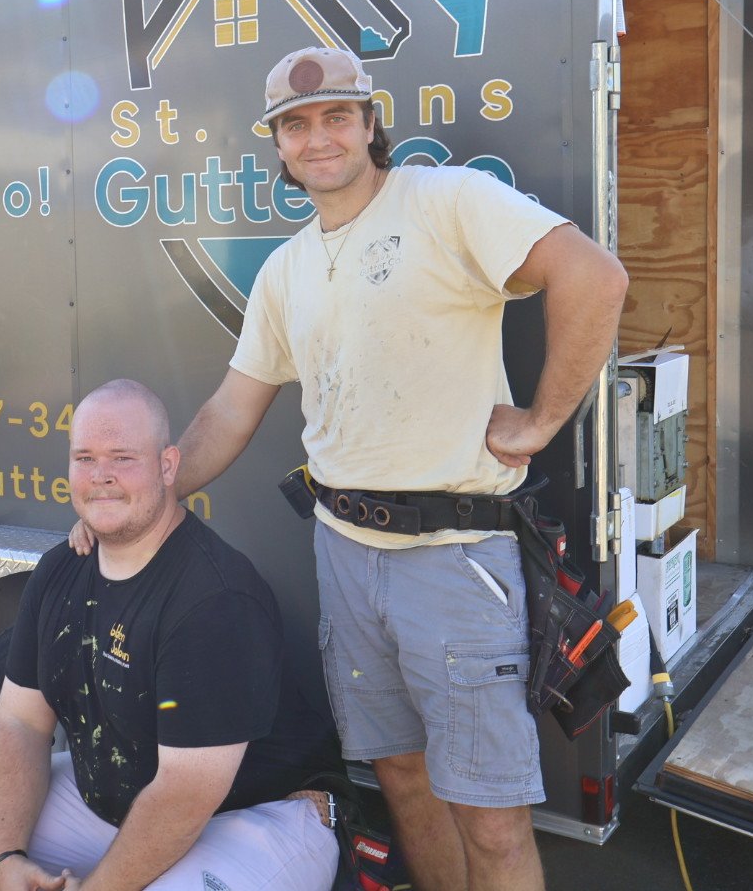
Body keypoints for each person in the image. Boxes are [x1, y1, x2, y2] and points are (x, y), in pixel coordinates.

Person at [73, 47, 628, 891]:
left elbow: (593, 276)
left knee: (493, 819)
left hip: (455, 560)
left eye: (337, 116)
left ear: (372, 125)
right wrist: (137, 498)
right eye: (295, 125)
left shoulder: (445, 203)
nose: (318, 137)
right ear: (279, 148)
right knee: (401, 780)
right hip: (344, 554)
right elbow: (230, 410)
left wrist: (545, 419)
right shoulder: (288, 270)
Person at [0, 379, 339, 891]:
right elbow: (20, 722)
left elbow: (186, 792)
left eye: (122, 458)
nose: (101, 476)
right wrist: (6, 861)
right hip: (122, 801)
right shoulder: (59, 570)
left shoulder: (215, 598)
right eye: (84, 458)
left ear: (168, 466)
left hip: (257, 816)